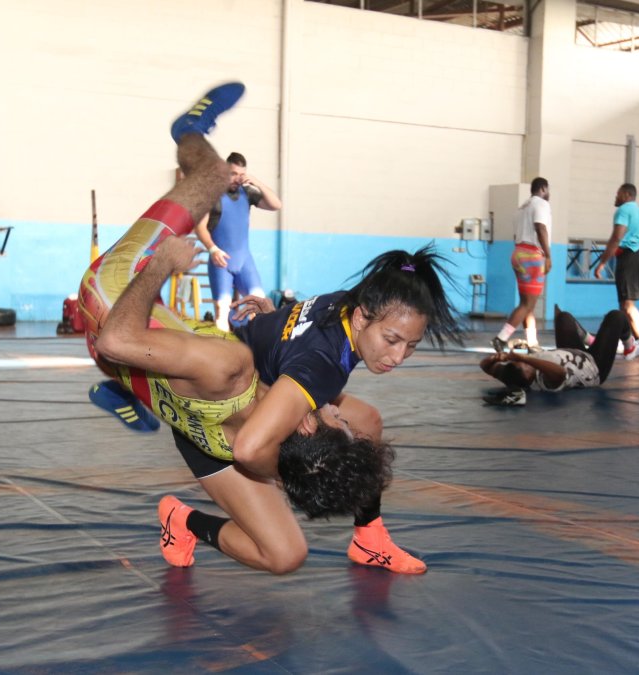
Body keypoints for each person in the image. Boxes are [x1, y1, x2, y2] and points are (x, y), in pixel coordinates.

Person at [79, 82, 394, 575]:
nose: (342, 414)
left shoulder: (232, 369)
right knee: (287, 554)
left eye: (339, 423)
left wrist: (160, 266)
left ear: (308, 423)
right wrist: (274, 322)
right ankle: (128, 394)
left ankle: (188, 133)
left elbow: (114, 340)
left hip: (110, 297)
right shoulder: (282, 460)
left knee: (213, 172)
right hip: (151, 365)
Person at [224, 244, 465, 574]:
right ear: (361, 316)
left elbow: (301, 339)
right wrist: (295, 478)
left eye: (411, 345)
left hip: (254, 372)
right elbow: (249, 449)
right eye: (392, 339)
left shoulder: (343, 302)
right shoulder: (323, 366)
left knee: (367, 421)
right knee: (283, 553)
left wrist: (272, 325)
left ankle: (369, 538)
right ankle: (184, 521)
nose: (398, 357)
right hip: (219, 403)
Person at [192, 151, 281, 331]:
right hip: (221, 261)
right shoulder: (212, 196)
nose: (238, 179)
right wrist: (212, 249)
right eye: (233, 174)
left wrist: (256, 182)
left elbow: (276, 205)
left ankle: (255, 347)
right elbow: (199, 227)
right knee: (222, 310)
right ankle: (221, 351)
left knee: (259, 303)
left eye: (242, 174)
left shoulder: (247, 194)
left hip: (244, 261)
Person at [480, 304, 635, 406]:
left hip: (571, 351)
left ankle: (590, 339)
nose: (528, 363)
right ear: (528, 377)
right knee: (616, 316)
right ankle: (630, 346)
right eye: (526, 366)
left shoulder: (512, 374)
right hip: (594, 366)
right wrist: (523, 357)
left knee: (563, 317)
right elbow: (560, 372)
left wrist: (497, 358)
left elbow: (484, 366)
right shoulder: (545, 382)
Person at [492, 177, 551, 353]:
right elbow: (540, 227)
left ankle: (532, 343)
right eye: (548, 190)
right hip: (532, 255)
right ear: (543, 189)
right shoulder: (540, 203)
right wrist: (548, 255)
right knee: (527, 304)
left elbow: (515, 235)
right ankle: (501, 338)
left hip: (518, 253)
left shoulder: (521, 208)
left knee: (528, 304)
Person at [593, 183, 639, 359]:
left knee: (627, 304)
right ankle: (629, 341)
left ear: (626, 194)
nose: (615, 197)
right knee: (625, 303)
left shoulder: (624, 210)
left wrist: (603, 262)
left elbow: (617, 236)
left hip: (629, 257)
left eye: (617, 194)